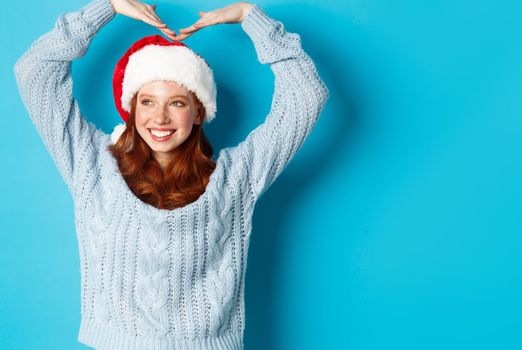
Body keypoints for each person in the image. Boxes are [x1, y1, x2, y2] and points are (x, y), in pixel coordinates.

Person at [13, 0, 329, 348]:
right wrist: (107, 7)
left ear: (198, 113)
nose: (160, 118)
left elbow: (306, 95)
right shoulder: (91, 163)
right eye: (147, 101)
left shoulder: (237, 177)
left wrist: (249, 17)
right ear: (131, 109)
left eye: (177, 103)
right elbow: (36, 72)